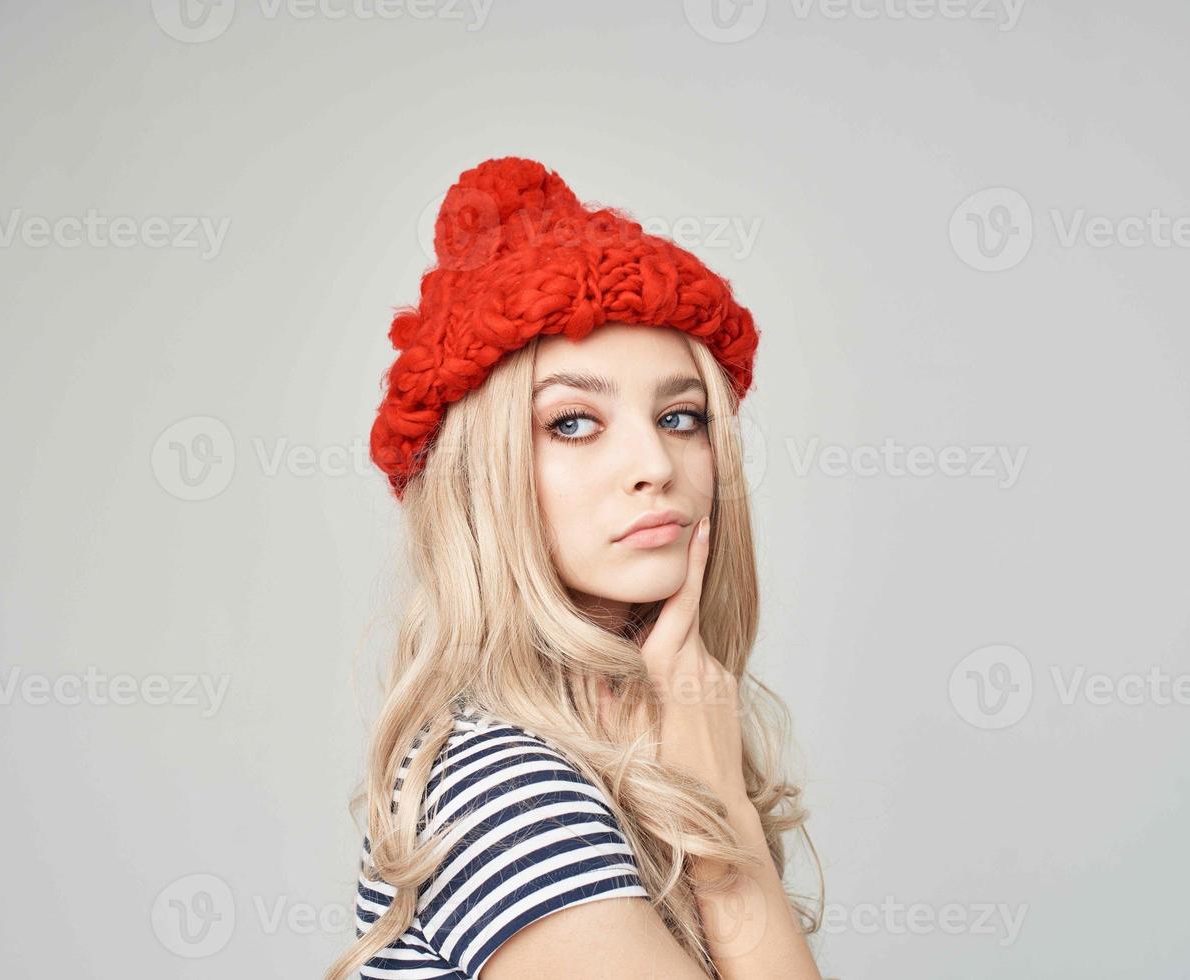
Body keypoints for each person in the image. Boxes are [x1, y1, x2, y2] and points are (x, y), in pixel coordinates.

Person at [327, 156, 823, 979]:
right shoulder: (507, 793)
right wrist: (726, 825)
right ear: (477, 479)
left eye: (680, 415)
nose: (654, 464)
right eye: (571, 423)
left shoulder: (624, 748)